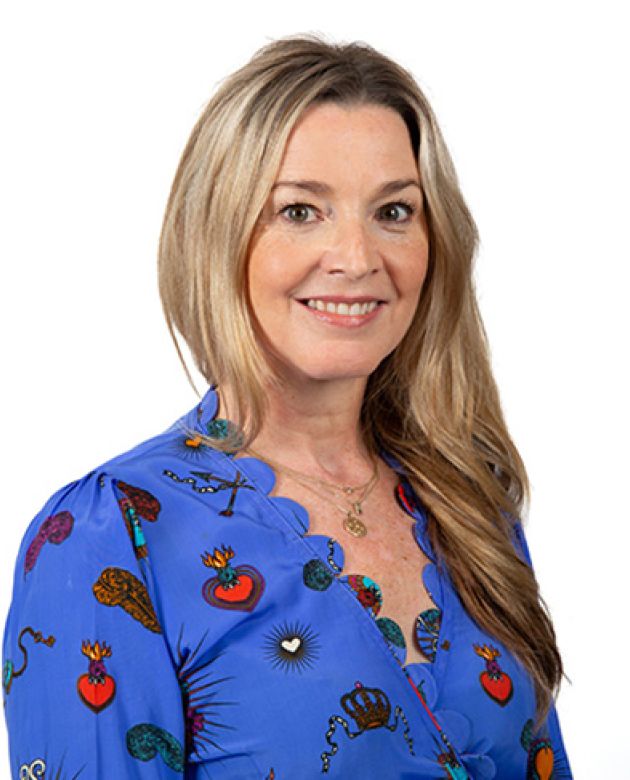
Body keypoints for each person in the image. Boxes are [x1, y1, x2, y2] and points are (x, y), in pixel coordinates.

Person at [2, 34, 572, 779]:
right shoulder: (112, 535)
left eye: (394, 211)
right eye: (301, 211)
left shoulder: (467, 499)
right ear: (217, 235)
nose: (357, 258)